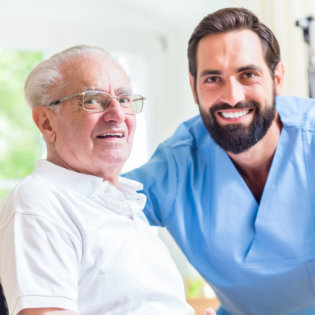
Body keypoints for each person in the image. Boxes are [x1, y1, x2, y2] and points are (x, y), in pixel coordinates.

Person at [125, 7, 315, 315]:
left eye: (248, 74)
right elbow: (93, 210)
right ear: (194, 88)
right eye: (213, 78)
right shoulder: (177, 166)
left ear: (277, 77)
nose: (232, 95)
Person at [0, 45, 195, 315]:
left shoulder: (124, 205)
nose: (117, 115)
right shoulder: (40, 201)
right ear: (46, 123)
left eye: (125, 99)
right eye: (92, 100)